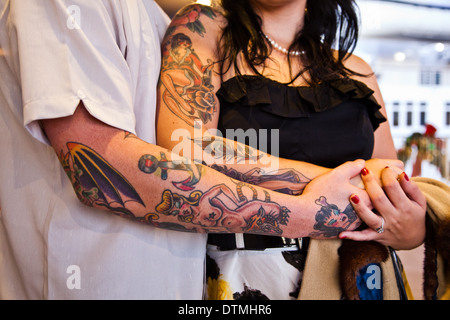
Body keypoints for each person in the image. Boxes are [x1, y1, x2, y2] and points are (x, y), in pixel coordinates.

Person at [0, 0, 388, 300]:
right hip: (96, 279)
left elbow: (394, 175)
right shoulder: (196, 27)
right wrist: (315, 205)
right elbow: (98, 168)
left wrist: (403, 220)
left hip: (174, 277)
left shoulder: (151, 16)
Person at [155, 0, 448, 300]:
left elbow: (390, 185)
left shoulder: (355, 70)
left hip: (358, 282)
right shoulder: (203, 27)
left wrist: (411, 230)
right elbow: (184, 148)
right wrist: (342, 184)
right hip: (246, 284)